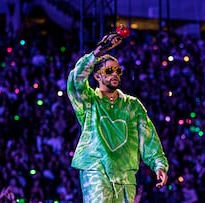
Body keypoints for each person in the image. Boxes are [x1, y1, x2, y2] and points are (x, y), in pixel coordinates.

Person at [67, 33, 169, 202]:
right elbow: (75, 81)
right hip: (95, 169)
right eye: (109, 70)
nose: (115, 74)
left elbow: (148, 137)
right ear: (97, 76)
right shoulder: (89, 102)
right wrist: (97, 53)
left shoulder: (132, 105)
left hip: (125, 176)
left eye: (118, 71)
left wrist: (159, 164)